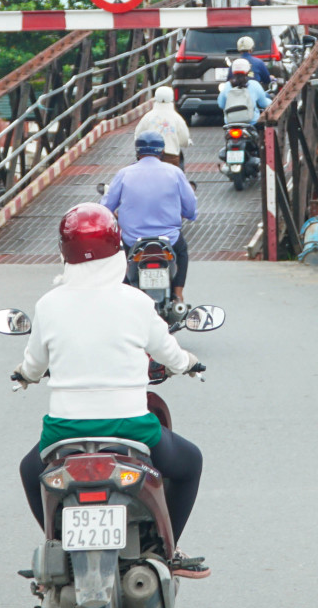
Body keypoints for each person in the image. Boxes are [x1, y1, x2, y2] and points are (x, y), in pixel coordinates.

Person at [15, 204, 207, 577]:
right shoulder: (136, 302)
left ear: (64, 253)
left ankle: (57, 549)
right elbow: (169, 352)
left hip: (64, 431)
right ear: (117, 247)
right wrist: (188, 364)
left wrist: (22, 375)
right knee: (190, 463)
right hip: (132, 429)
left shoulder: (48, 304)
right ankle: (169, 551)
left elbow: (34, 365)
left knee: (29, 471)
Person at [104, 132, 198, 302]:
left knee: (122, 260)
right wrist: (189, 214)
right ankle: (178, 293)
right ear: (161, 151)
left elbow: (105, 208)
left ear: (137, 151)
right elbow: (190, 207)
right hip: (169, 239)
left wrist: (116, 215)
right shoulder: (175, 172)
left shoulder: (124, 174)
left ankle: (125, 294)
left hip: (133, 240)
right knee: (182, 252)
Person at [132, 85, 191, 168]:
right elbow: (184, 139)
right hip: (171, 157)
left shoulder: (148, 117)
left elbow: (138, 136)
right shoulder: (177, 118)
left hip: (149, 156)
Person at [217, 58, 270, 125]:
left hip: (230, 122)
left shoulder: (227, 85)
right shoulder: (254, 84)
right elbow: (263, 103)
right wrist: (271, 100)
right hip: (252, 122)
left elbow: (221, 105)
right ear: (248, 71)